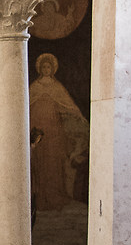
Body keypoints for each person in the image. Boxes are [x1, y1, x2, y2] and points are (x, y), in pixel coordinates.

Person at [29, 53, 89, 209]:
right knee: (39, 161)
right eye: (44, 67)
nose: (46, 69)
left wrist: (78, 115)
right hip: (37, 128)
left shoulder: (57, 87)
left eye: (49, 67)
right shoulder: (34, 87)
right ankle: (39, 196)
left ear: (53, 69)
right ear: (40, 69)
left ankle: (55, 194)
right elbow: (25, 105)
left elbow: (67, 105)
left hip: (54, 129)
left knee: (53, 162)